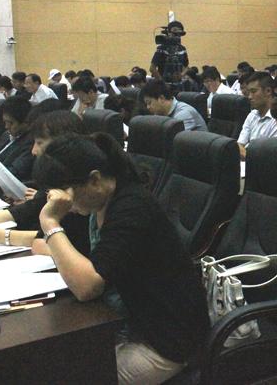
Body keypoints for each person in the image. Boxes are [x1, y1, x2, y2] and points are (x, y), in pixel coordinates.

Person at [33, 133, 208, 384]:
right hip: (124, 323)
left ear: (94, 180)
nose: (64, 204)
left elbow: (87, 286)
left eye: (65, 195)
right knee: (48, 360)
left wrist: (50, 222)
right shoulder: (97, 204)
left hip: (166, 340)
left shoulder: (132, 207)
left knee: (71, 376)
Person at [0, 110, 90, 255]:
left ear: (62, 144)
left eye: (39, 143)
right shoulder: (52, 182)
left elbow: (59, 239)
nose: (34, 151)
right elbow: (17, 213)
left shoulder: (81, 187)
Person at [238, 71, 277, 159]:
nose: (249, 97)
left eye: (253, 91)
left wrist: (245, 153)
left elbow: (269, 156)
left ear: (268, 91)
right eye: (249, 92)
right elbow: (240, 144)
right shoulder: (252, 115)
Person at [141, 79, 207, 132]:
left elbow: (173, 141)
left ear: (161, 98)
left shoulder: (183, 115)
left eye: (149, 103)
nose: (148, 107)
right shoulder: (161, 113)